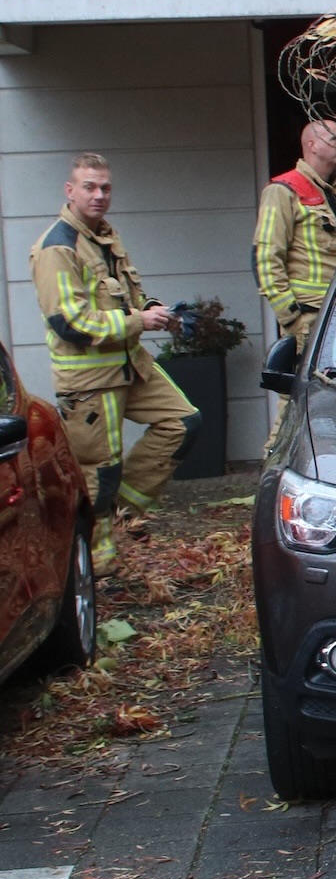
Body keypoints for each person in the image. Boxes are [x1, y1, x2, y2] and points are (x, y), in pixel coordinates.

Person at [29, 153, 200, 575]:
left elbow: (125, 297)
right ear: (70, 191)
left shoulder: (104, 236)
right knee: (99, 471)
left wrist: (154, 309)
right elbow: (69, 323)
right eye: (90, 186)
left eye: (105, 187)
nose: (99, 194)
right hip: (89, 379)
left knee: (184, 423)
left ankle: (121, 516)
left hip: (130, 365)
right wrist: (137, 321)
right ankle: (95, 566)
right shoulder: (56, 247)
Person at [253, 119, 336, 353]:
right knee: (306, 389)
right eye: (335, 139)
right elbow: (266, 258)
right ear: (312, 145)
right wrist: (292, 318)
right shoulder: (283, 190)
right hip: (308, 316)